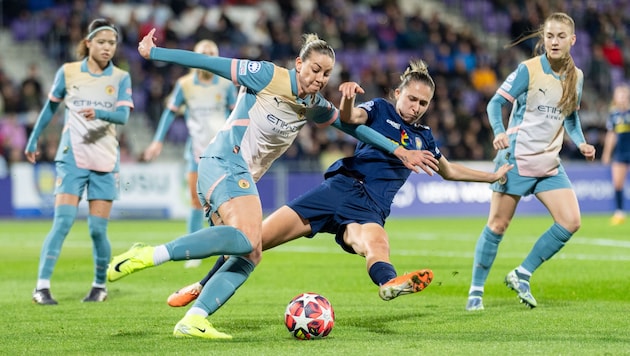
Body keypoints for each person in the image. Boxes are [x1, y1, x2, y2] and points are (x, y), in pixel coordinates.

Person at [107, 28, 436, 340]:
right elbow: (212, 64)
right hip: (224, 160)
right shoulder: (267, 75)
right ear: (298, 64)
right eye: (314, 70)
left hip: (238, 175)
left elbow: (354, 129)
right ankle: (152, 253)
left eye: (326, 74)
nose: (319, 79)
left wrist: (398, 150)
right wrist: (155, 52)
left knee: (251, 252)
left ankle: (194, 318)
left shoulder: (313, 105)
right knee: (249, 237)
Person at [166, 59, 513, 309]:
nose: (416, 107)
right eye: (412, 99)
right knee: (254, 240)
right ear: (398, 93)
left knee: (376, 243)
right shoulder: (379, 108)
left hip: (370, 208)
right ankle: (201, 285)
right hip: (337, 189)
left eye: (424, 103)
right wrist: (347, 96)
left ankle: (389, 283)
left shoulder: (425, 138)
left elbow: (449, 172)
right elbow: (349, 119)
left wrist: (493, 176)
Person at [465, 12, 596, 311]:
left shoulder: (578, 77)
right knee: (497, 225)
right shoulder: (528, 70)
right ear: (543, 39)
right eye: (549, 36)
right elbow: (495, 103)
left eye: (561, 36)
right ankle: (476, 291)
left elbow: (570, 116)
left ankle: (521, 273)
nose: (554, 41)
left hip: (549, 163)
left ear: (572, 40)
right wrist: (499, 132)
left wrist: (582, 142)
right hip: (516, 158)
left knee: (571, 221)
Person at [25, 18, 134, 305]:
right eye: (101, 42)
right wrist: (34, 138)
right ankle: (42, 287)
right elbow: (50, 108)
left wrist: (98, 114)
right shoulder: (69, 72)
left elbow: (123, 117)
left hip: (105, 160)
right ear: (88, 43)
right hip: (72, 157)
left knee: (98, 229)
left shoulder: (121, 78)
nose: (107, 48)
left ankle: (99, 286)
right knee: (62, 222)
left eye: (112, 43)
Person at [141, 39, 237, 268]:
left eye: (212, 52)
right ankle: (193, 253)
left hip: (221, 153)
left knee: (225, 203)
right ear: (195, 57)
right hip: (195, 152)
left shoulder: (225, 85)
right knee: (196, 201)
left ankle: (224, 249)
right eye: (203, 53)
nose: (207, 56)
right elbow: (169, 113)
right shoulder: (184, 84)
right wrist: (157, 141)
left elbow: (235, 117)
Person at [601, 84, 630, 226]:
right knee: (617, 183)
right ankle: (619, 213)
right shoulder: (614, 114)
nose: (622, 98)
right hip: (620, 152)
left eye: (624, 95)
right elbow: (611, 135)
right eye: (619, 95)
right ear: (615, 98)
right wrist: (607, 153)